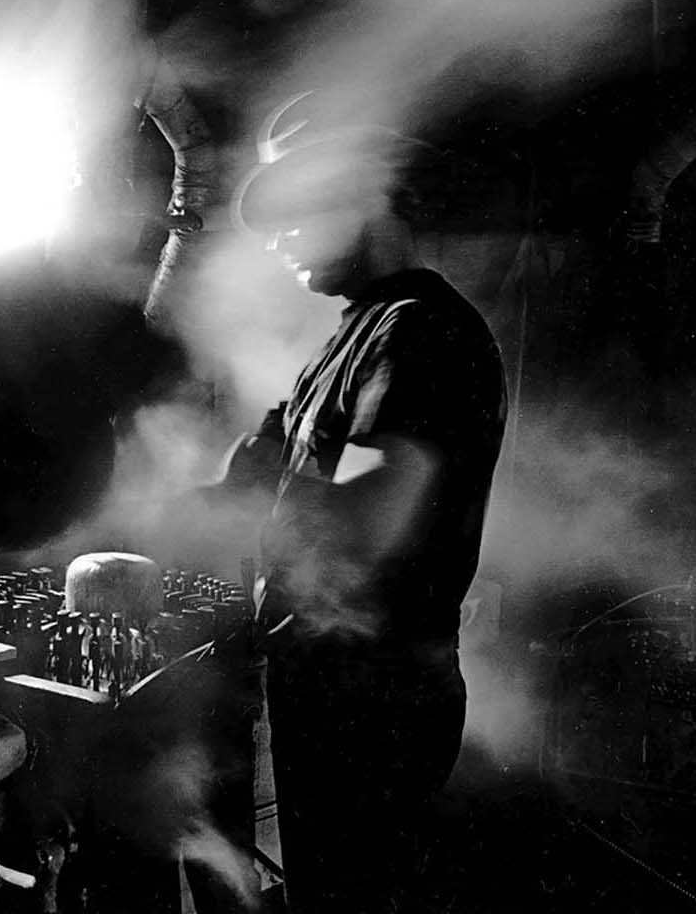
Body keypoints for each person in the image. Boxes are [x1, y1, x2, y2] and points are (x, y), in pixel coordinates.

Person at [212, 115, 508, 913]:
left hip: (375, 700)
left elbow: (373, 522)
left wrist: (252, 497)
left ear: (366, 198)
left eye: (296, 212)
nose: (276, 240)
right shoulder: (357, 333)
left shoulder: (417, 332)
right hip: (335, 685)